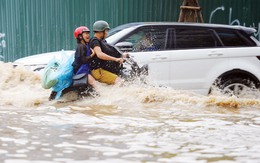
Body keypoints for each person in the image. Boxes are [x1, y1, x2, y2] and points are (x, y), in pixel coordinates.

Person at [89, 20, 128, 85]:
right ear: (101, 32)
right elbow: (99, 54)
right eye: (106, 31)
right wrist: (115, 59)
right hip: (98, 71)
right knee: (120, 82)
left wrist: (122, 55)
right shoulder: (94, 41)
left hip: (103, 69)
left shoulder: (102, 41)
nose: (107, 33)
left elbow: (109, 51)